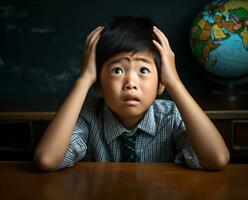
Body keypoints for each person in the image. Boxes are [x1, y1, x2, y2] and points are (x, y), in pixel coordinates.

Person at [34, 16, 230, 171]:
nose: (130, 83)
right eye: (117, 70)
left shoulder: (170, 117)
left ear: (160, 83)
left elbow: (217, 159)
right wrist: (84, 79)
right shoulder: (89, 117)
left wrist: (174, 82)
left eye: (143, 70)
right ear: (98, 84)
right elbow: (47, 159)